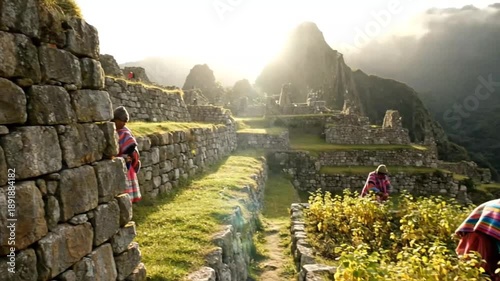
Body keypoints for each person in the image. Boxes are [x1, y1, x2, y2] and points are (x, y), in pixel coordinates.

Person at [455, 199, 500, 280]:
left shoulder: (494, 202)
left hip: (476, 233)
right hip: (483, 238)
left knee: (471, 269)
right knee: (483, 270)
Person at [112, 106, 142, 203]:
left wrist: (129, 157)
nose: (124, 123)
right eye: (122, 120)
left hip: (126, 165)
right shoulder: (111, 130)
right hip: (115, 164)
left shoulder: (125, 132)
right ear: (116, 119)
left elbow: (131, 147)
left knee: (127, 195)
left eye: (126, 121)